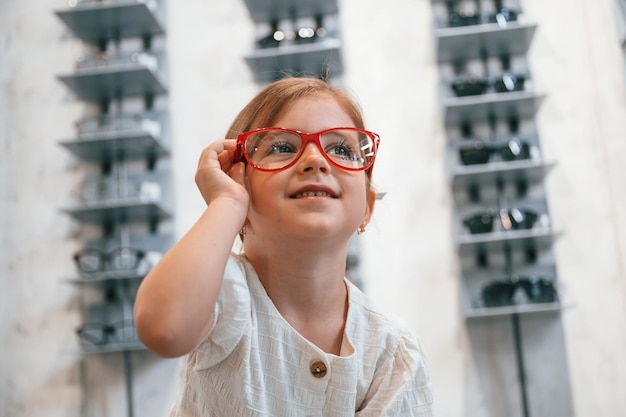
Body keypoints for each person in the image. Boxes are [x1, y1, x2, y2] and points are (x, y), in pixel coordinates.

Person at [133, 77, 434, 416]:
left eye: (341, 149)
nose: (315, 160)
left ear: (366, 208)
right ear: (238, 185)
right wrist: (228, 204)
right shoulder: (223, 292)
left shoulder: (391, 350)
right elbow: (163, 328)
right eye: (281, 148)